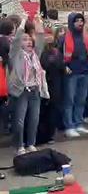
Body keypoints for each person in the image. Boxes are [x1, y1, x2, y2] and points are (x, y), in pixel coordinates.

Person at [9, 17, 45, 155]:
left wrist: (38, 22)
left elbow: (41, 38)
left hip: (35, 89)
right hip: (21, 91)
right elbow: (16, 40)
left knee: (34, 119)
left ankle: (31, 143)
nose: (29, 42)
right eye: (25, 40)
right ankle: (19, 146)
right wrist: (23, 21)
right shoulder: (16, 55)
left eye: (30, 39)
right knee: (20, 121)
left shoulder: (35, 54)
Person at [61, 13, 88, 138]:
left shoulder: (86, 37)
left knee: (81, 99)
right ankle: (69, 126)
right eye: (77, 21)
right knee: (69, 99)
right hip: (71, 72)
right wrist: (64, 66)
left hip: (84, 70)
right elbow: (59, 54)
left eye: (81, 20)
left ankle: (78, 123)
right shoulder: (64, 38)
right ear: (71, 22)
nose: (80, 23)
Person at [37, 27, 65, 145]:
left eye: (50, 35)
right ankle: (43, 134)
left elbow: (60, 65)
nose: (48, 38)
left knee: (53, 108)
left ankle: (50, 134)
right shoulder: (41, 51)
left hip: (55, 83)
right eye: (46, 35)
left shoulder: (57, 51)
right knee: (44, 110)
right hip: (44, 82)